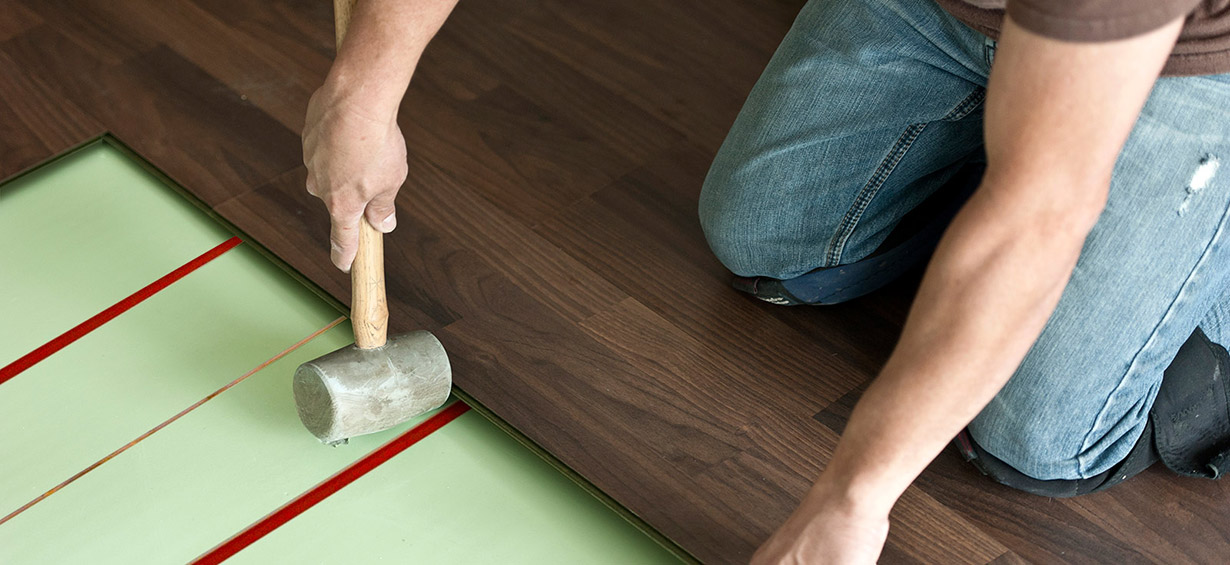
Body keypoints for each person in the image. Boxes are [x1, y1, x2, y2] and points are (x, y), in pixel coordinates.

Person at [304, 0, 1230, 562]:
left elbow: (1041, 208)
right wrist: (365, 87)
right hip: (966, 12)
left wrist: (850, 498)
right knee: (769, 238)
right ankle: (1015, 149)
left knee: (1038, 433)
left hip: (1188, 59)